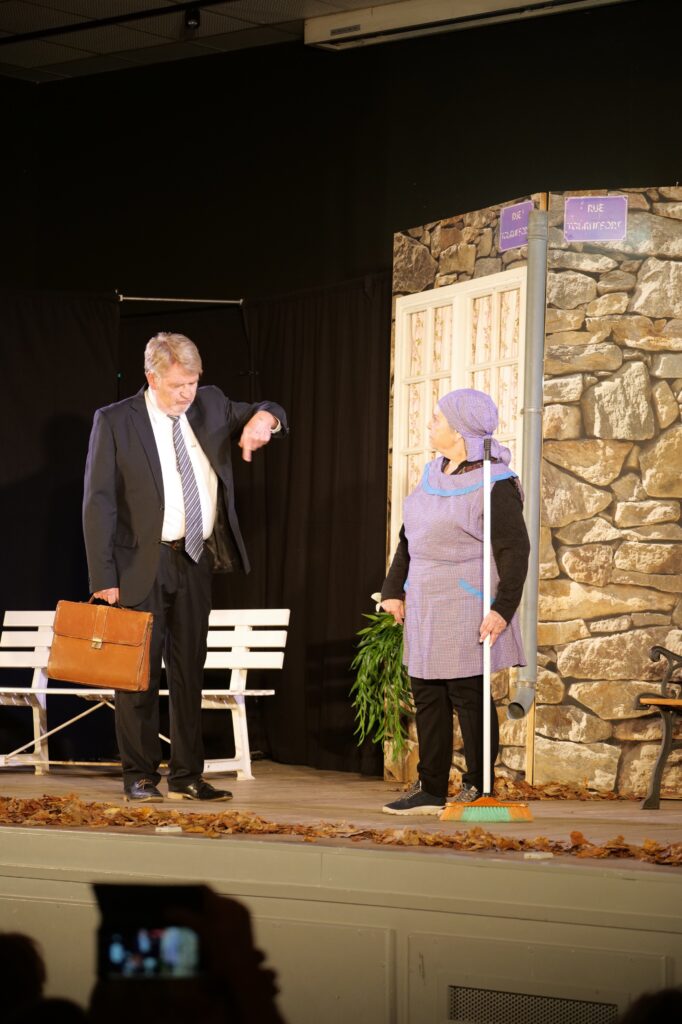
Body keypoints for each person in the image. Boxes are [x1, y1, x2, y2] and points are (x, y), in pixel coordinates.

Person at [83, 332, 287, 803]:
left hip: (194, 558)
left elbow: (268, 407)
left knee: (189, 670)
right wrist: (104, 578)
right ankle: (139, 775)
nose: (186, 394)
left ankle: (187, 775)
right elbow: (98, 503)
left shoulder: (211, 404)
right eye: (177, 385)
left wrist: (265, 420)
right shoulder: (115, 420)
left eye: (192, 383)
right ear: (152, 377)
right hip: (141, 563)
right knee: (138, 674)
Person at [380, 388, 529, 815]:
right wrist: (393, 589)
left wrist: (502, 609)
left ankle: (479, 787)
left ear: (460, 430)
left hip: (468, 602)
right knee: (427, 692)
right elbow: (409, 538)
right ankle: (430, 789)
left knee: (468, 694)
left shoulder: (496, 483)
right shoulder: (432, 473)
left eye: (437, 419)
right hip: (426, 600)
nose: (430, 425)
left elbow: (515, 551)